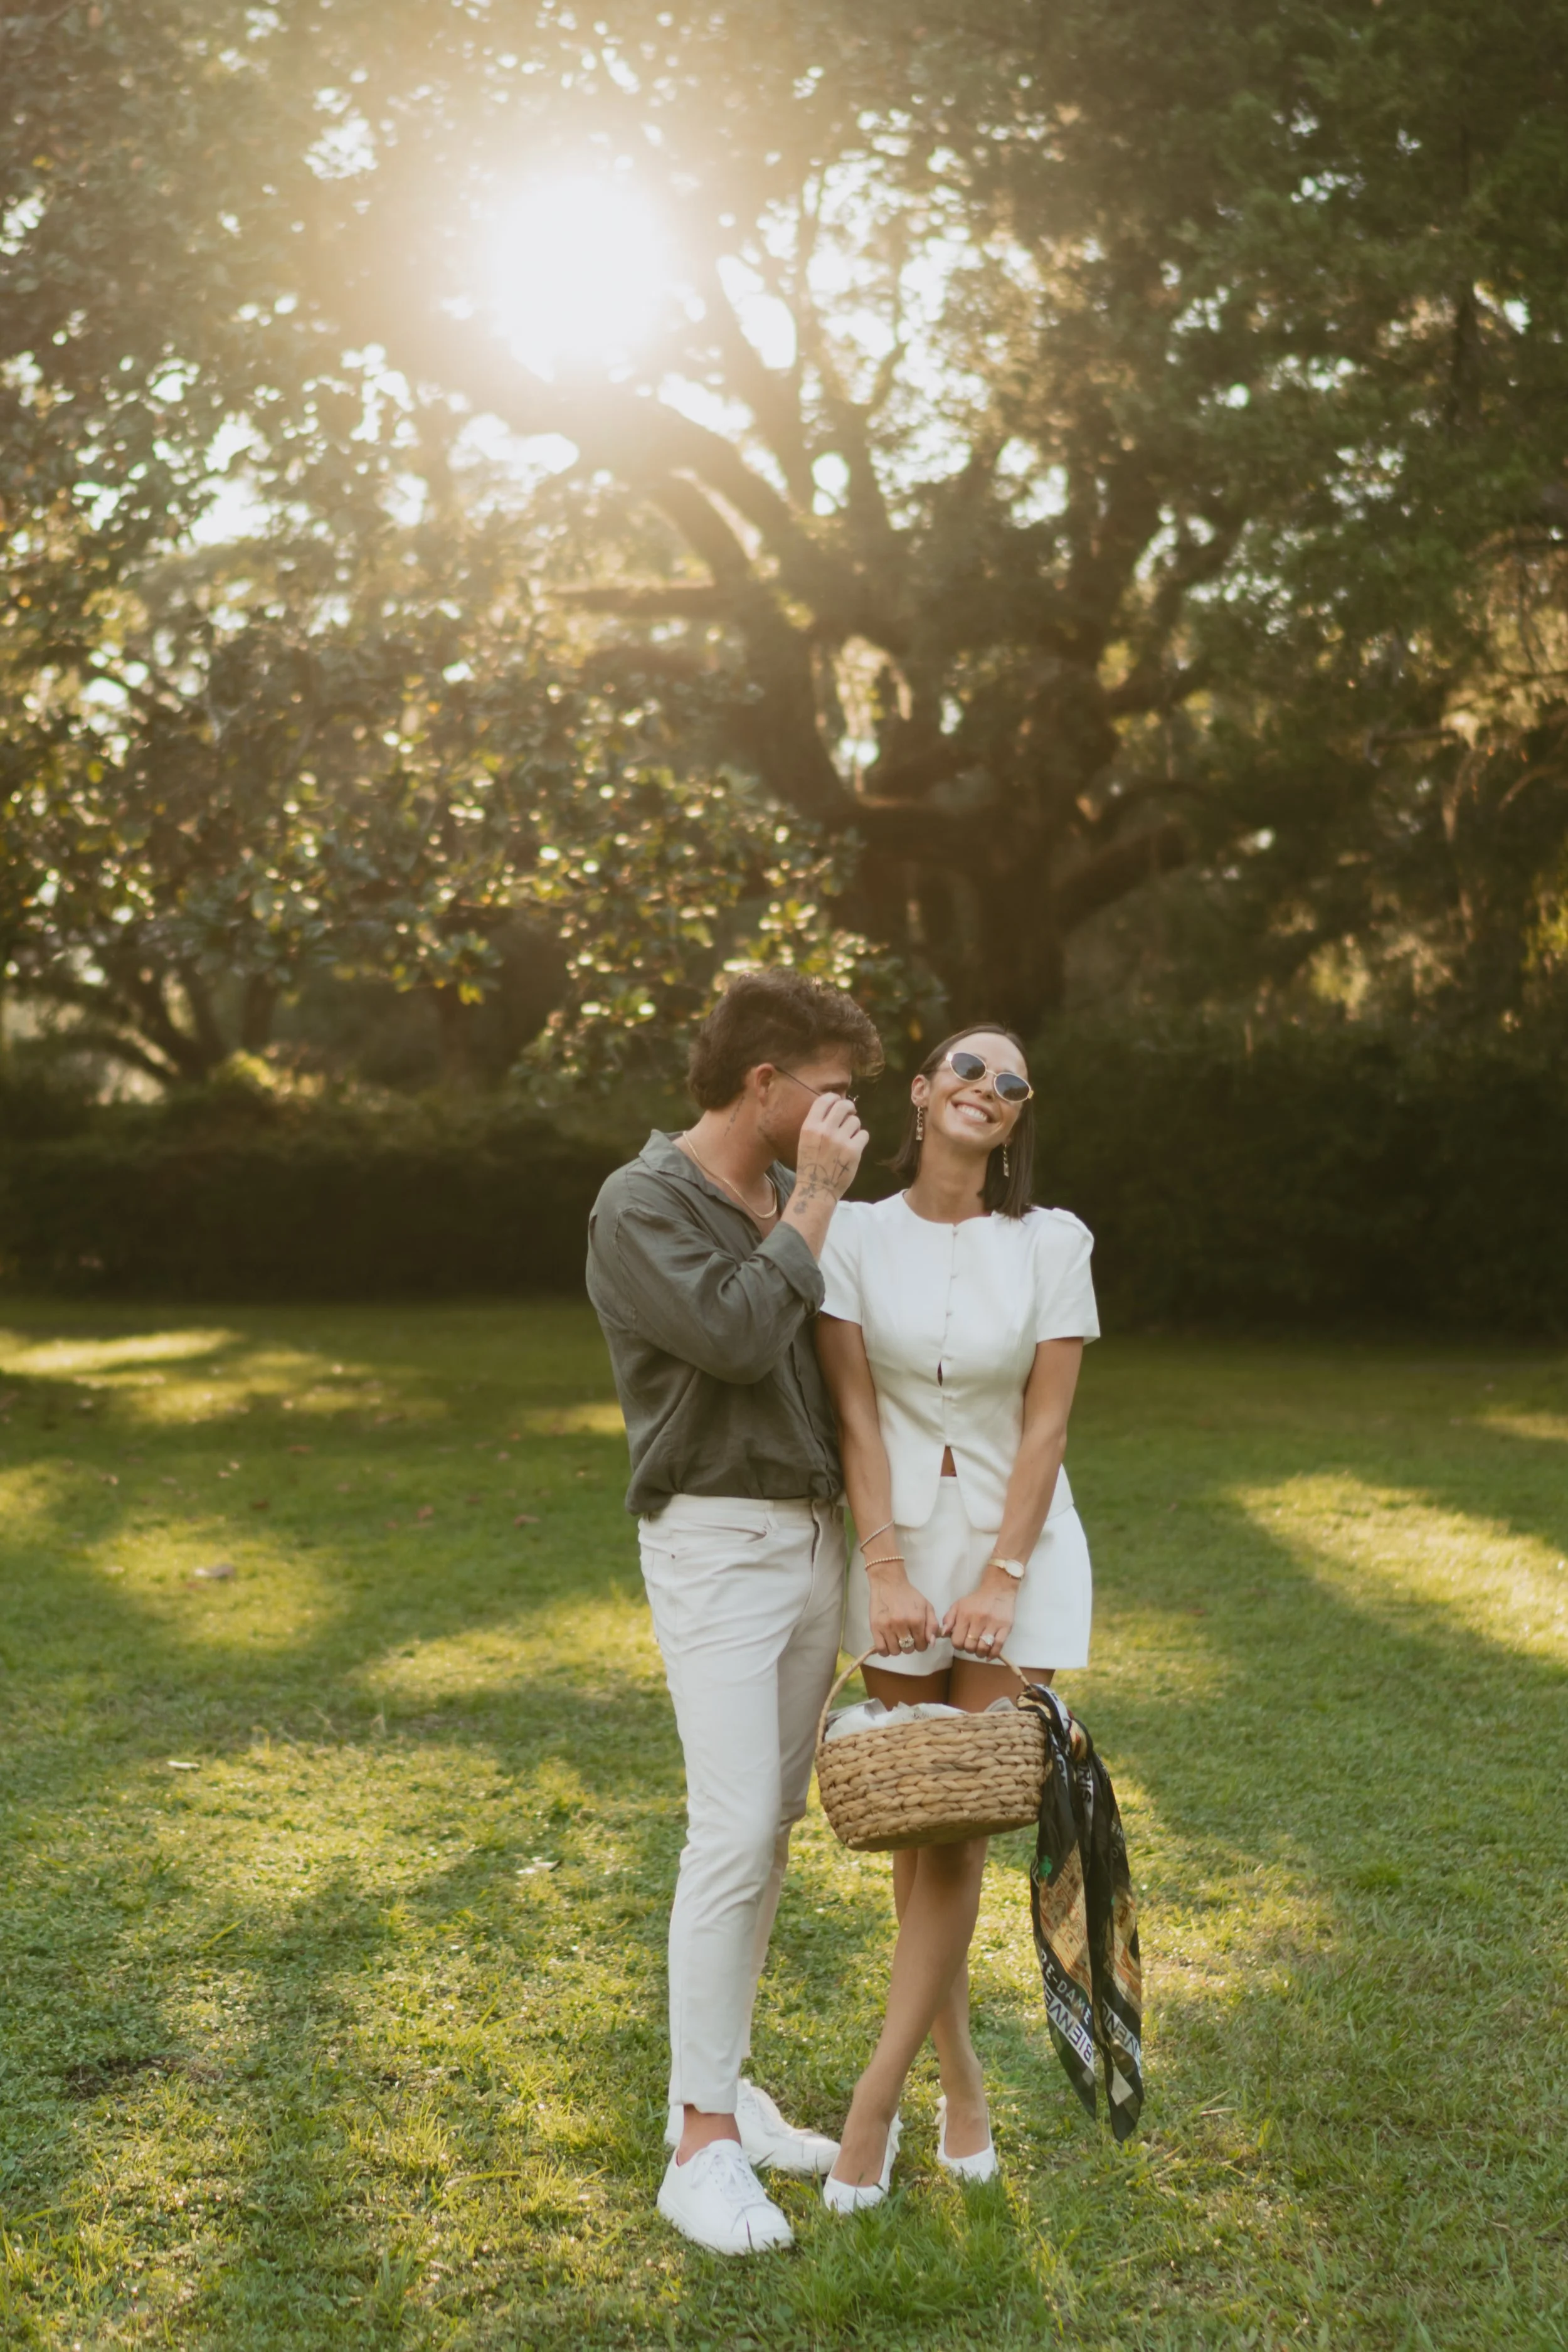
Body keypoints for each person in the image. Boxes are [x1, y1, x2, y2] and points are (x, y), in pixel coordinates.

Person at [586, 969, 882, 2255]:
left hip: (810, 1535)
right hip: (713, 1537)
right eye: (829, 1092)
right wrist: (813, 1200)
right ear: (762, 1083)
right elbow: (731, 1338)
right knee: (726, 1829)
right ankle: (698, 2146)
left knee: (764, 1838)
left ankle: (718, 2089)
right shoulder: (642, 1201)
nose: (847, 1121)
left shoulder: (781, 1197)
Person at [813, 1024, 1099, 2208]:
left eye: (1014, 1081)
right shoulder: (853, 1234)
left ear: (1016, 1120)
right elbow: (854, 1416)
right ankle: (963, 2073)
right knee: (916, 1823)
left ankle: (874, 2103)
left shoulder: (1052, 1242)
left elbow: (1046, 1428)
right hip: (893, 1558)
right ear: (922, 1095)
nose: (992, 1087)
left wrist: (1001, 1576)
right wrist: (885, 1568)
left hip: (1015, 1560)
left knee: (965, 1825)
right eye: (970, 1069)